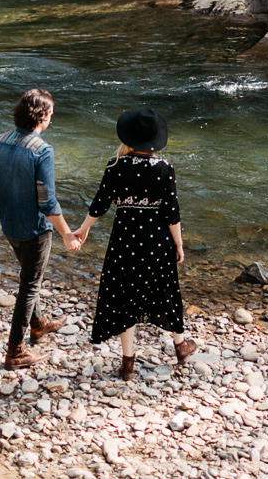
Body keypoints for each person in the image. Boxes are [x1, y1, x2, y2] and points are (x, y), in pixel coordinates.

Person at [73, 107, 196, 381]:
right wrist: (179, 245)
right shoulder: (165, 168)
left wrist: (82, 230)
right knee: (164, 290)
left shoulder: (115, 165)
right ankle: (180, 345)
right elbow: (172, 213)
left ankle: (128, 362)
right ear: (155, 140)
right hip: (156, 241)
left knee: (124, 295)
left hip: (125, 240)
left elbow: (100, 204)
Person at [0, 88, 80, 370]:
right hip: (36, 229)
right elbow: (47, 201)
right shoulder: (43, 150)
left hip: (9, 224)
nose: (52, 118)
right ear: (43, 116)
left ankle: (39, 324)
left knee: (29, 276)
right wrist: (66, 233)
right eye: (51, 113)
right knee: (29, 286)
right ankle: (15, 351)